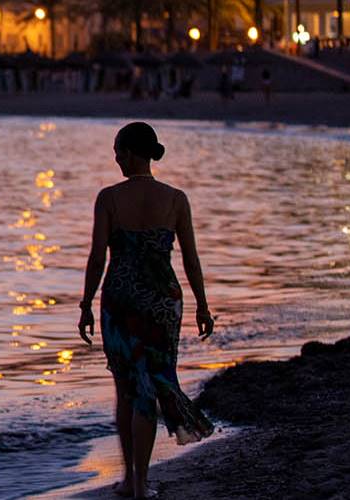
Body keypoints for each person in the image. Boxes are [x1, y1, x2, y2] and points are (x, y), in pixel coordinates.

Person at [78, 123, 217, 499]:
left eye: (119, 152)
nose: (116, 159)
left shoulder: (109, 198)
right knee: (149, 388)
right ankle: (139, 482)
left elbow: (97, 258)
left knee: (127, 389)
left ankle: (132, 480)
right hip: (161, 302)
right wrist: (202, 305)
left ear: (132, 153)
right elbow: (190, 259)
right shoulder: (176, 199)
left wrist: (86, 304)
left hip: (121, 301)